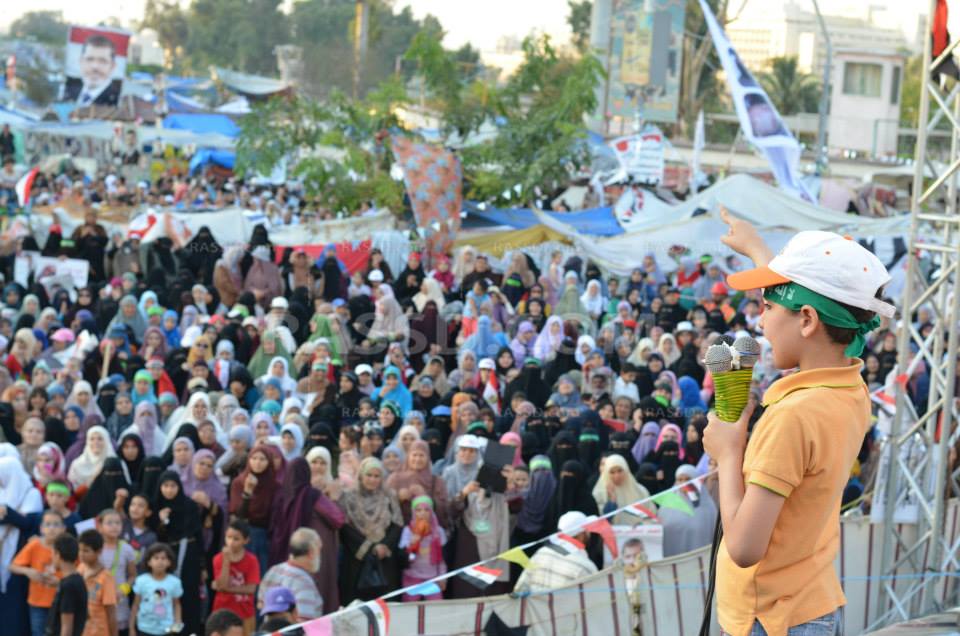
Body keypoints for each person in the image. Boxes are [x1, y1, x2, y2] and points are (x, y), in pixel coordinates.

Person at [704, 209, 895, 635]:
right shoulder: (850, 388)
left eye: (767, 307)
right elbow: (805, 299)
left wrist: (729, 452)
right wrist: (759, 251)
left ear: (807, 319)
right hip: (808, 605)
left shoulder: (793, 416)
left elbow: (744, 548)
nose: (760, 321)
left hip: (771, 620)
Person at [513, 510, 598, 594]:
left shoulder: (541, 553)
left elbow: (519, 590)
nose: (589, 533)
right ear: (581, 535)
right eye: (588, 530)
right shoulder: (586, 567)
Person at [10, 509, 65, 636]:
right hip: (37, 602)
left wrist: (61, 582)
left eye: (56, 524)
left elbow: (78, 571)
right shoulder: (35, 545)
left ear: (63, 528)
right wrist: (28, 571)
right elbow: (13, 566)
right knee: (38, 632)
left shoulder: (67, 546)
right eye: (48, 524)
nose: (52, 528)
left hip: (62, 602)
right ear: (41, 528)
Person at [258, 528, 324, 620]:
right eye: (319, 550)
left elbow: (260, 604)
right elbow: (303, 621)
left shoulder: (274, 570)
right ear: (311, 553)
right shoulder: (304, 582)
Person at [211, 520, 259, 635]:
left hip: (245, 613)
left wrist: (225, 589)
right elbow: (222, 584)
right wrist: (226, 561)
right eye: (228, 537)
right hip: (222, 613)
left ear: (246, 540)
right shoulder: (218, 559)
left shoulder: (252, 560)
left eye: (236, 539)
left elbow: (251, 589)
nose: (231, 542)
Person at [130, 543, 182, 636]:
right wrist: (131, 628)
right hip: (144, 628)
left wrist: (177, 626)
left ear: (169, 562)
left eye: (163, 558)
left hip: (167, 630)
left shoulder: (174, 582)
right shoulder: (141, 581)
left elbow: (176, 605)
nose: (160, 561)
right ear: (149, 562)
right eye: (156, 558)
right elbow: (135, 605)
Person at [76, 530, 118, 636]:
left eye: (86, 551)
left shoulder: (106, 578)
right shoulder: (80, 568)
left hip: (99, 631)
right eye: (79, 550)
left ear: (99, 551)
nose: (81, 554)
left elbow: (111, 612)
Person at [62, 34, 122, 107]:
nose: (95, 66)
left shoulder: (118, 100)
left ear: (112, 66)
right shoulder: (67, 90)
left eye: (102, 61)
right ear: (81, 61)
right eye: (89, 59)